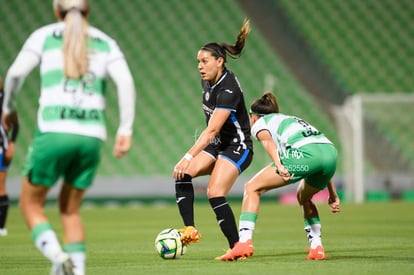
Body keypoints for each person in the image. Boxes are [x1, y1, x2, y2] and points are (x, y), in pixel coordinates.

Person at [2, 0, 136, 274]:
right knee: (70, 211)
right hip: (91, 136)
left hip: (54, 131)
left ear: (56, 10)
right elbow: (125, 82)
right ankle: (76, 270)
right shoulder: (104, 41)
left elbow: (15, 73)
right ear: (87, 11)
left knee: (30, 204)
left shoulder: (43, 36)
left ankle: (56, 254)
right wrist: (125, 128)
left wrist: (8, 109)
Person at [218, 92, 341, 261]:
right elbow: (321, 158)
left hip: (305, 155)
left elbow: (268, 142)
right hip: (330, 154)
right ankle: (317, 247)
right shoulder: (291, 119)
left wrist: (279, 165)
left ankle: (244, 243)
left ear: (253, 116)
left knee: (251, 188)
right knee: (303, 197)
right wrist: (333, 195)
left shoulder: (260, 123)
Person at [173, 19, 254, 259]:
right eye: (198, 61)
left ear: (220, 61)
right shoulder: (207, 81)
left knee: (214, 191)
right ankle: (190, 229)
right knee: (182, 173)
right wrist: (187, 162)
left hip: (238, 146)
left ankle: (237, 246)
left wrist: (188, 155)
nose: (200, 66)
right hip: (219, 145)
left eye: (205, 61)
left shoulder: (229, 89)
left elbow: (211, 130)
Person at [0, 75, 19, 237]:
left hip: (1, 148)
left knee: (0, 187)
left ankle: (1, 227)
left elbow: (16, 124)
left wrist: (12, 143)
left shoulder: (6, 100)